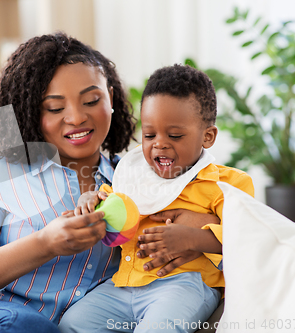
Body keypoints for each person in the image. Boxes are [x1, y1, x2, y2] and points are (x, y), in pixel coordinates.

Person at [0, 34, 219, 333]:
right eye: (54, 107)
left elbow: (211, 231)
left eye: (91, 100)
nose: (76, 117)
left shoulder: (136, 181)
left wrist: (197, 234)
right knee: (22, 326)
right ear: (32, 112)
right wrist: (44, 244)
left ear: (110, 98)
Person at [58, 64, 255, 333]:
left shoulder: (229, 183)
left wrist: (191, 238)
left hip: (186, 284)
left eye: (174, 135)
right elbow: (116, 205)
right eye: (149, 135)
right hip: (124, 285)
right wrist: (91, 200)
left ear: (207, 137)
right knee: (74, 323)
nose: (159, 144)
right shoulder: (134, 175)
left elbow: (248, 241)